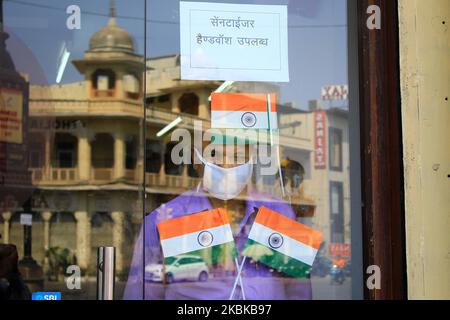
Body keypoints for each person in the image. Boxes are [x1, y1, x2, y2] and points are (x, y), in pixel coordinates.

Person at [124, 130, 313, 300]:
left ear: (252, 159)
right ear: (196, 161)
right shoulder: (164, 221)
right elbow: (142, 294)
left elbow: (299, 291)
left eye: (238, 156)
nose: (226, 165)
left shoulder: (280, 212)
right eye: (213, 154)